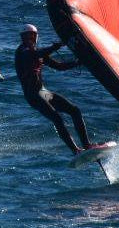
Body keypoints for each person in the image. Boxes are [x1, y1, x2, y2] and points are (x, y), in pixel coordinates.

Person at [15, 25, 93, 154]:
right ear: (22, 38)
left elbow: (59, 66)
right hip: (33, 95)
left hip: (43, 93)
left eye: (33, 35)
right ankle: (76, 150)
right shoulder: (22, 51)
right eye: (27, 36)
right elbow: (35, 54)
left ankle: (87, 145)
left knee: (74, 110)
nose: (31, 38)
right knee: (57, 118)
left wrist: (78, 62)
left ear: (36, 37)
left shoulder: (38, 53)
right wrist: (56, 46)